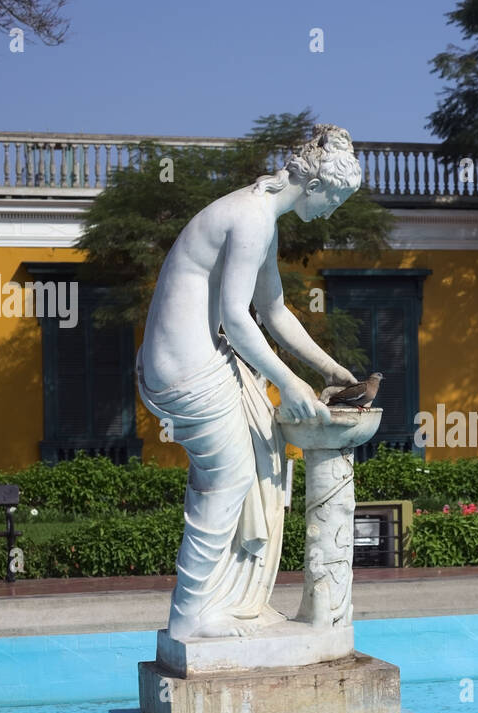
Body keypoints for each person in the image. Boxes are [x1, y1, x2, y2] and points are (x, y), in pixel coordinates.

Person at [136, 124, 361, 641]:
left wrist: (329, 370)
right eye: (336, 200)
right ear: (319, 184)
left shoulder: (260, 214)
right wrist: (289, 385)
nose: (331, 212)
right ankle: (191, 614)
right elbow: (238, 320)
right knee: (230, 479)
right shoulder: (253, 218)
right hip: (187, 365)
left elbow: (274, 311)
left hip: (188, 356)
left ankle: (225, 601)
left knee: (240, 470)